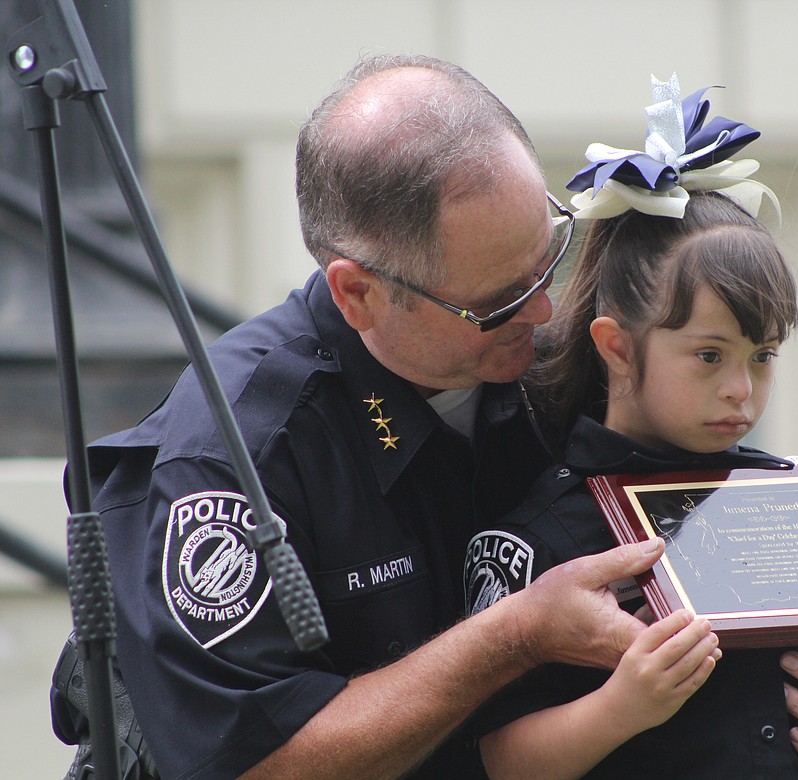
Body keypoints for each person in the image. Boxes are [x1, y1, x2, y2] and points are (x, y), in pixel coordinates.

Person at [49, 54, 696, 780]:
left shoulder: (560, 361)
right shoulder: (232, 456)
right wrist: (515, 634)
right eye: (497, 302)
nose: (545, 314)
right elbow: (257, 765)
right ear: (357, 294)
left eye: (550, 262)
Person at [463, 75, 798, 780]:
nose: (741, 390)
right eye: (709, 356)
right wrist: (620, 707)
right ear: (617, 347)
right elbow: (492, 762)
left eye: (763, 356)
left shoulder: (790, 503)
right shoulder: (544, 536)